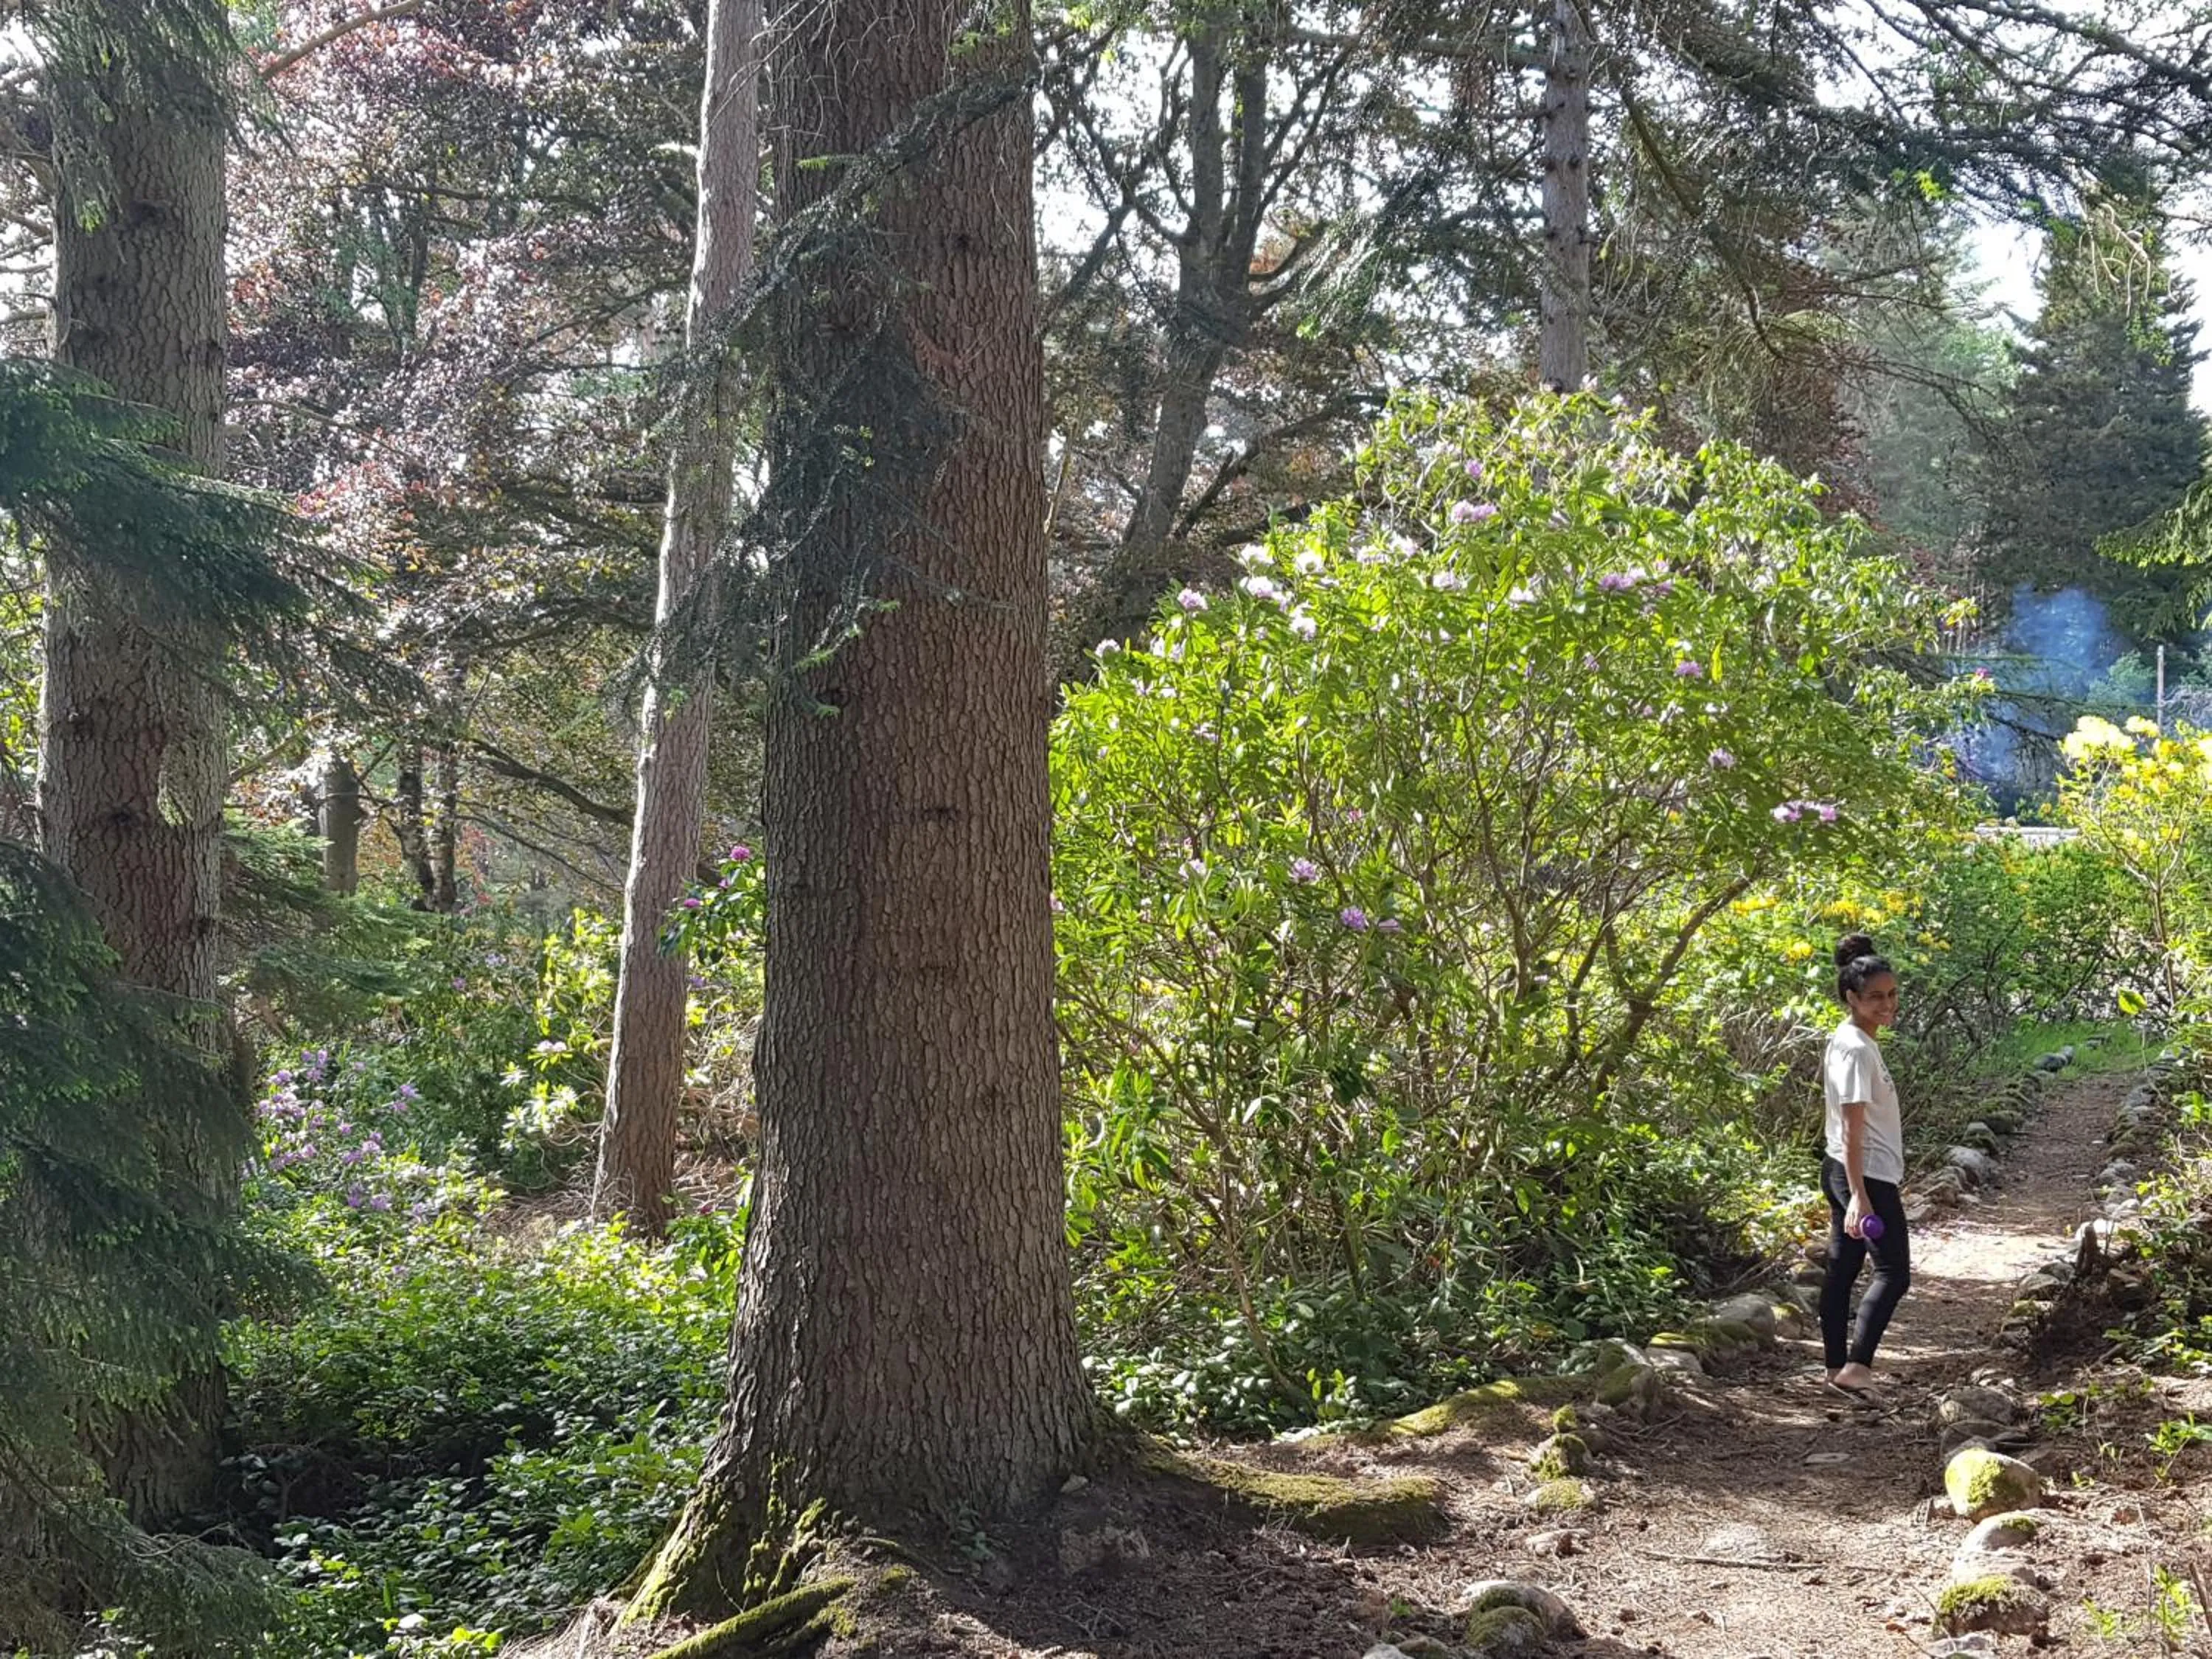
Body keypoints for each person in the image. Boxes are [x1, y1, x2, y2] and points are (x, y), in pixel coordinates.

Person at [1820, 933, 1910, 1397]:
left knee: (1843, 1269)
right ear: (1851, 998)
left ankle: (1836, 1365)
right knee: (1894, 1272)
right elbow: (1854, 1126)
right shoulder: (1856, 1049)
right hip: (1865, 1173)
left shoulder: (1851, 1040)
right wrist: (1859, 1194)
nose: (1887, 1004)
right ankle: (1857, 1367)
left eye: (1892, 994)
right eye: (1875, 997)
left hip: (1844, 1167)